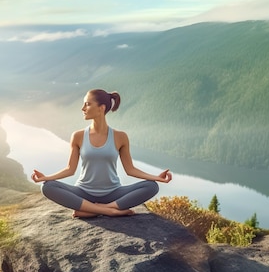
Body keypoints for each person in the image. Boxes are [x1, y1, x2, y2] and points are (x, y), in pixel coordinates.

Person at [31, 89, 172, 218]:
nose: (82, 108)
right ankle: (108, 211)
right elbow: (70, 169)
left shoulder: (120, 136)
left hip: (113, 193)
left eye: (87, 104)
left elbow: (130, 170)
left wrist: (157, 178)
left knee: (152, 186)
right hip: (83, 192)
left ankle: (94, 209)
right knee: (47, 187)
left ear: (101, 108)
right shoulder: (78, 136)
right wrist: (46, 177)